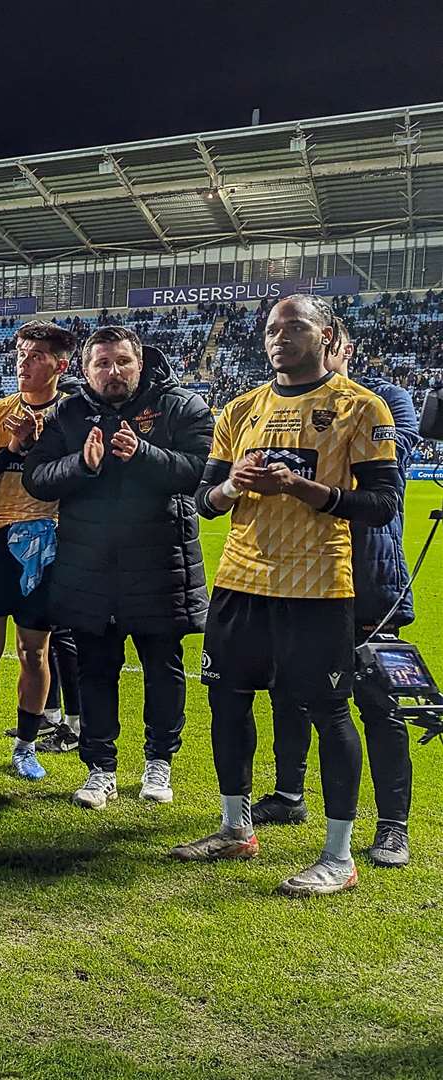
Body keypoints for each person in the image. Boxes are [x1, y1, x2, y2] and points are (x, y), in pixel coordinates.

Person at [176, 294, 401, 897]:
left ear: (326, 335)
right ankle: (234, 828)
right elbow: (204, 501)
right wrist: (230, 486)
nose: (280, 337)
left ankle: (338, 856)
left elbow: (383, 504)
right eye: (273, 328)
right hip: (241, 581)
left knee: (328, 712)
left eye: (295, 326)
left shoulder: (359, 406)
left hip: (317, 585)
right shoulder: (240, 408)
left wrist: (307, 489)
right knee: (227, 702)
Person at [24, 325, 213, 809]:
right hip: (89, 568)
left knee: (163, 669)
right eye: (103, 363)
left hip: (159, 566)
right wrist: (80, 467)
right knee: (95, 671)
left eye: (123, 362)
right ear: (86, 370)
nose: (114, 372)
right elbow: (37, 478)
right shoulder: (69, 413)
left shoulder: (180, 406)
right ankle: (100, 769)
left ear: (140, 362)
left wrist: (143, 453)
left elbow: (202, 472)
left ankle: (159, 762)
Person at [257, 324, 422, 867]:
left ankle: (392, 825)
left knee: (377, 699)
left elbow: (382, 491)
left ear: (338, 346)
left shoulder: (383, 401)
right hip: (298, 574)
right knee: (291, 687)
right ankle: (289, 793)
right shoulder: (279, 406)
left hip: (369, 577)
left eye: (332, 345)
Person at [0, 321, 76, 781]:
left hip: (45, 542)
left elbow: (77, 475)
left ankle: (27, 745)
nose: (23, 364)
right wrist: (14, 444)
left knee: (35, 651)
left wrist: (37, 446)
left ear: (61, 364)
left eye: (35, 356)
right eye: (20, 355)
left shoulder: (73, 417)